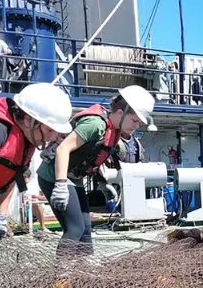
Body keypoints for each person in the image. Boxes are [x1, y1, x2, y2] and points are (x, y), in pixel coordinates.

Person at [37, 85, 155, 253]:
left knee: (85, 231)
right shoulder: (95, 124)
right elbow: (63, 149)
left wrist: (102, 183)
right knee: (75, 228)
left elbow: (94, 158)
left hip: (74, 178)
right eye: (135, 120)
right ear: (120, 113)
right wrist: (60, 185)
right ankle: (62, 275)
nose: (136, 126)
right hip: (53, 175)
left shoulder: (113, 131)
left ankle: (85, 269)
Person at [0, 83, 72, 239]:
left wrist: (1, 215)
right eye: (49, 130)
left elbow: (11, 175)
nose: (52, 138)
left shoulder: (26, 139)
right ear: (27, 120)